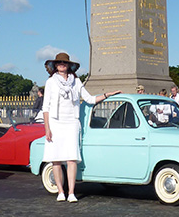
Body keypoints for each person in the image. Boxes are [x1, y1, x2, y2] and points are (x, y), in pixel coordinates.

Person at [42, 52, 121, 203]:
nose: (62, 66)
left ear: (69, 66)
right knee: (56, 160)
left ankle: (71, 192)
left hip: (72, 122)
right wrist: (47, 128)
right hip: (55, 122)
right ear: (55, 66)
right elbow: (46, 107)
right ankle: (60, 191)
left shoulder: (76, 82)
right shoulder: (51, 82)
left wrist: (107, 94)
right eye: (59, 63)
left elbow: (90, 99)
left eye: (64, 63)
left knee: (72, 158)